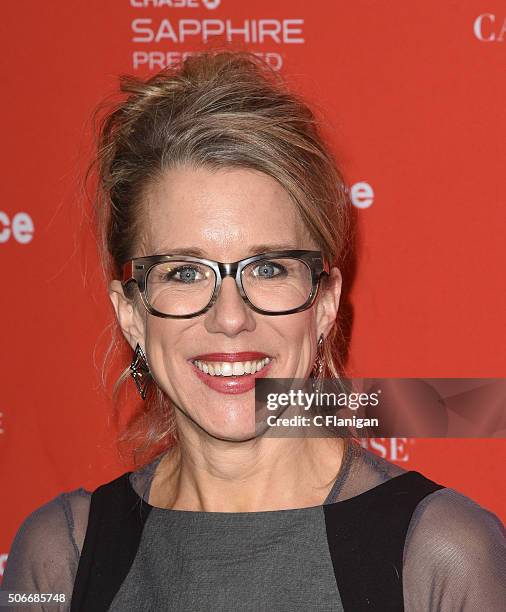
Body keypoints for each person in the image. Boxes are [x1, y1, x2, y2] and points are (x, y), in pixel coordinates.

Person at [2, 51, 505, 612]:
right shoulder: (59, 559)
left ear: (324, 304)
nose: (231, 317)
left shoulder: (442, 555)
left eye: (267, 268)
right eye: (185, 273)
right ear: (131, 313)